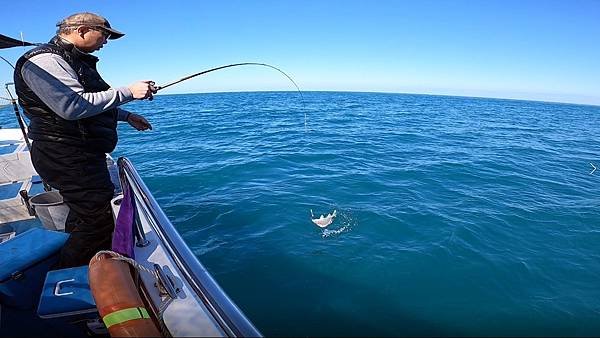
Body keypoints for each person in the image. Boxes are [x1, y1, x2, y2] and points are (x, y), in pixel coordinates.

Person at [14, 12, 156, 268]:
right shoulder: (45, 60)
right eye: (105, 35)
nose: (106, 41)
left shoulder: (69, 60)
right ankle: (70, 274)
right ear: (81, 30)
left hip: (77, 153)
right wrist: (128, 93)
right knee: (98, 219)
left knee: (84, 214)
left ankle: (76, 266)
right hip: (64, 154)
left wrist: (126, 115)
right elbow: (71, 106)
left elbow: (88, 101)